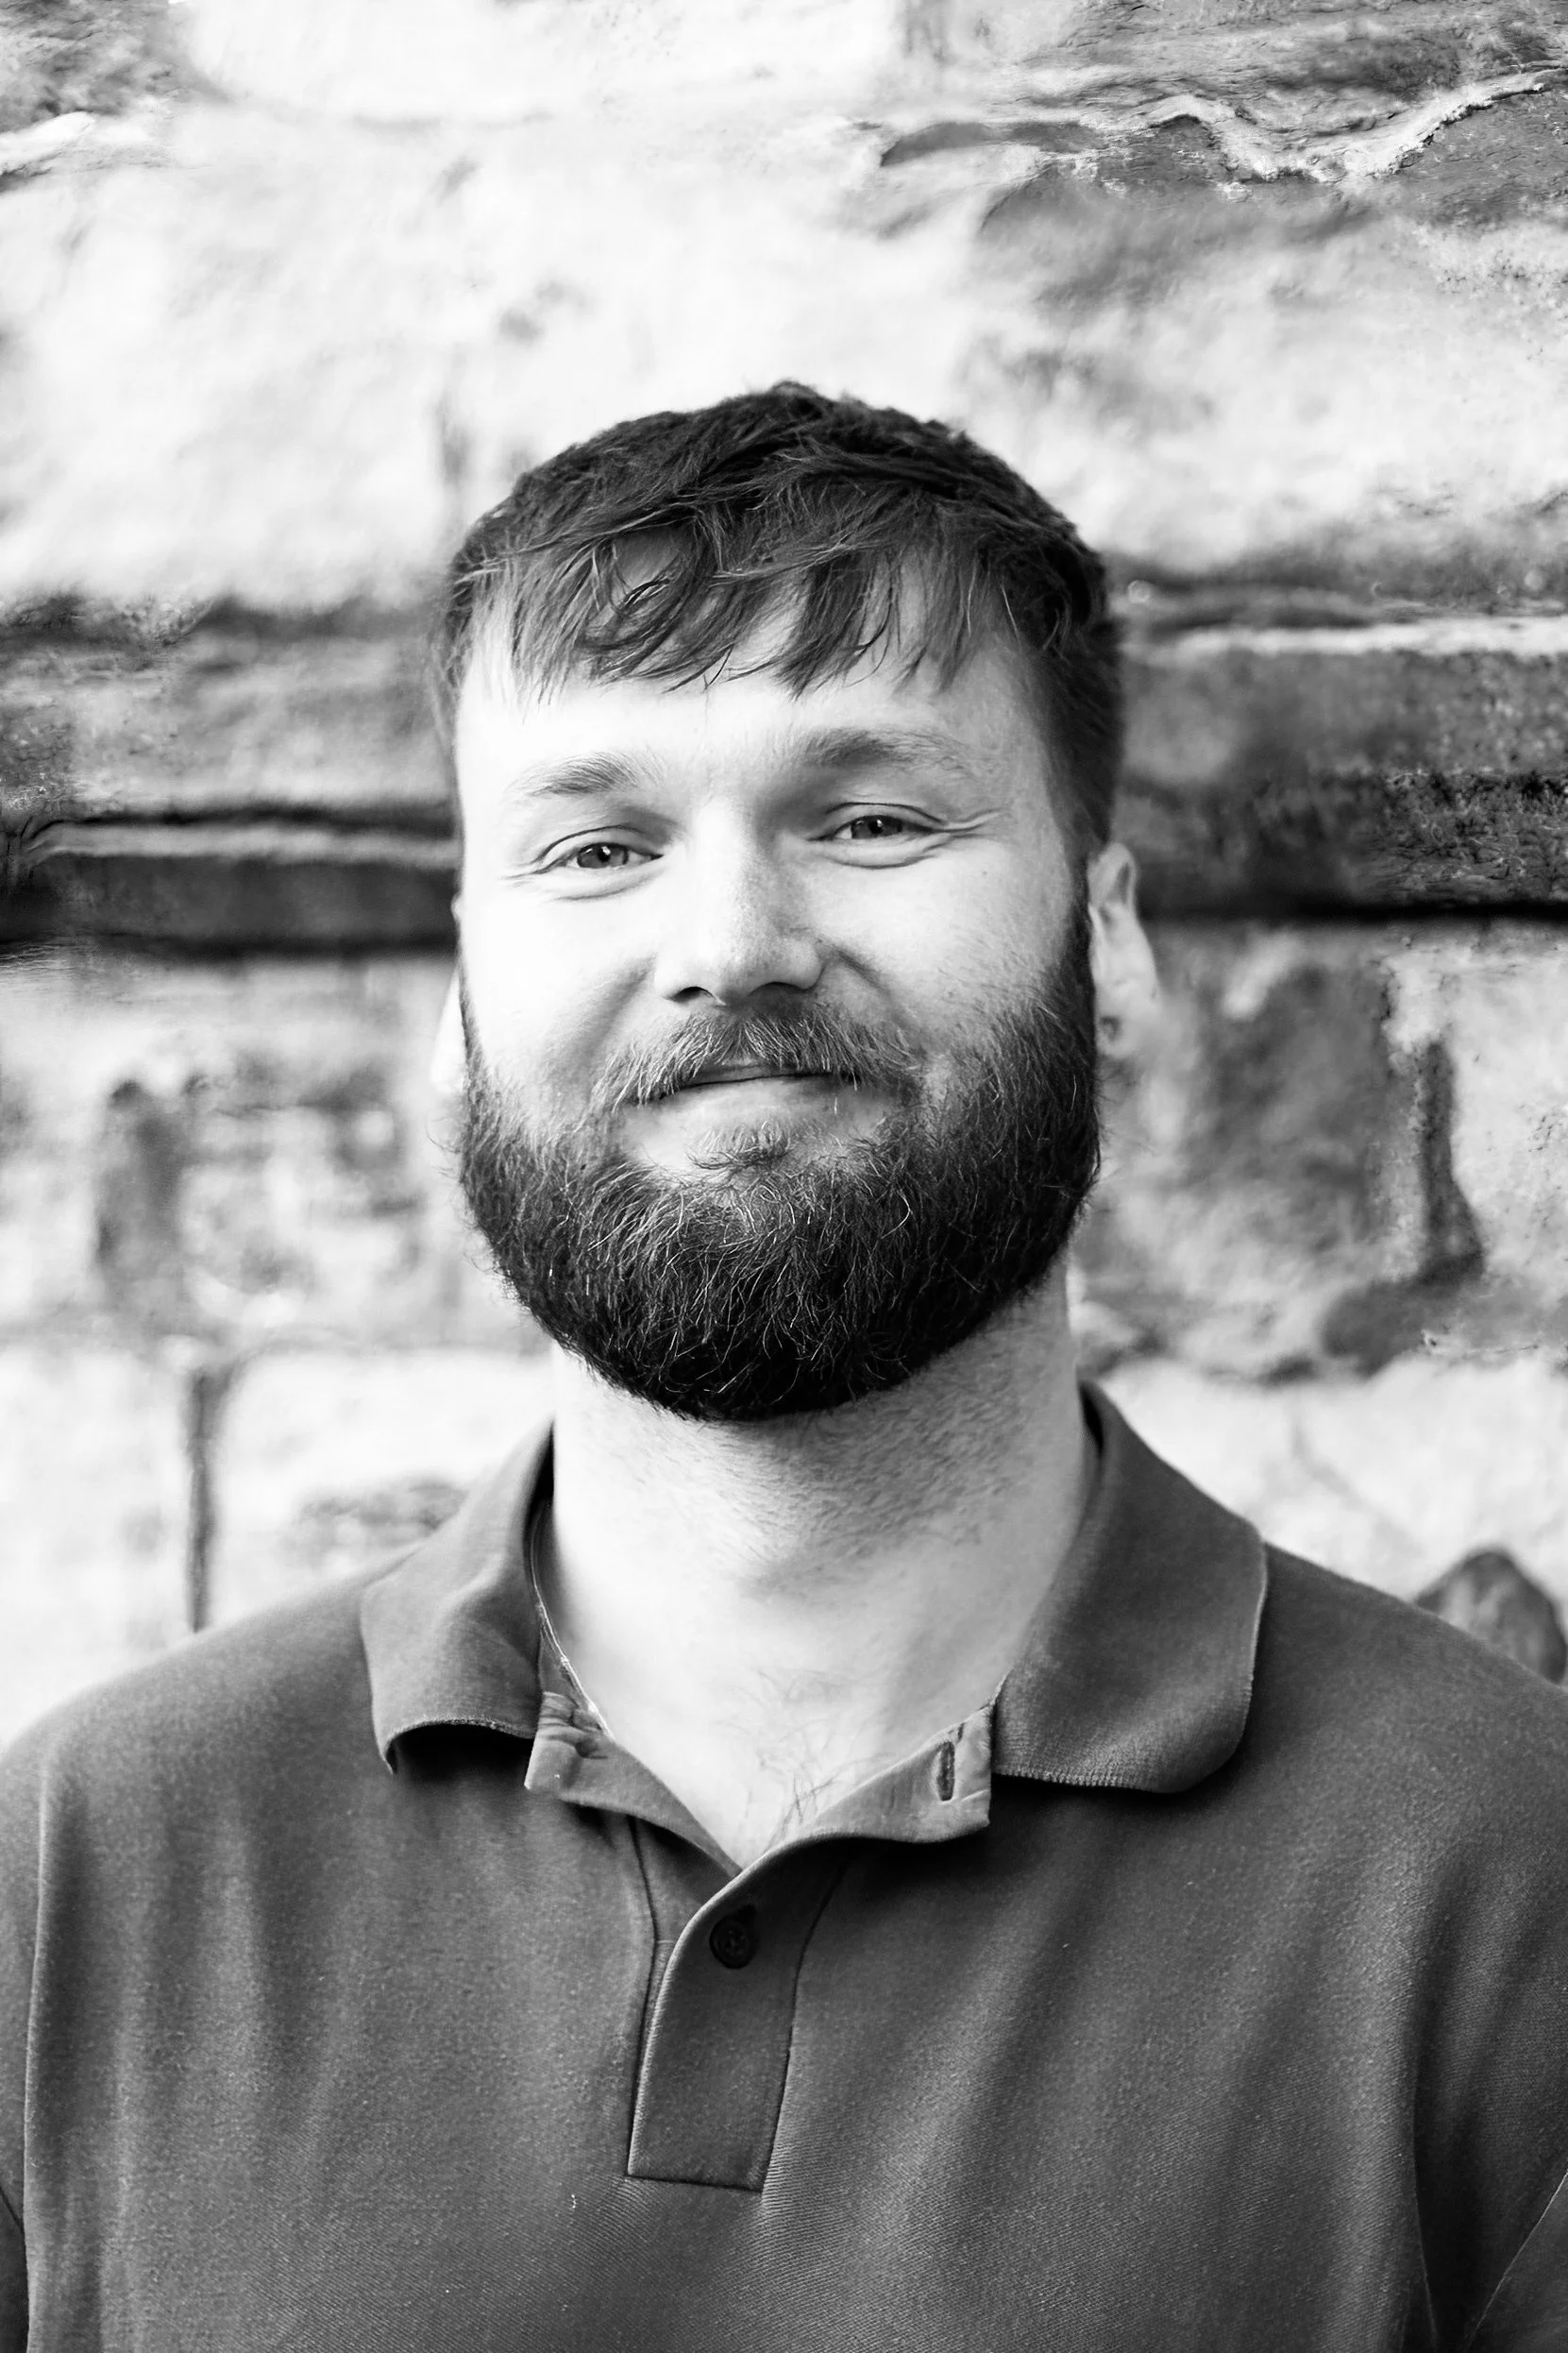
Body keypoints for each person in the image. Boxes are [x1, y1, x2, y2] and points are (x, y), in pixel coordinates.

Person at [3, 385, 1566, 2351]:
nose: (729, 941)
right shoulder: (83, 1877)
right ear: (458, 990)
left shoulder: (1504, 1884)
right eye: (596, 844)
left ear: (1108, 941)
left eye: (869, 815)